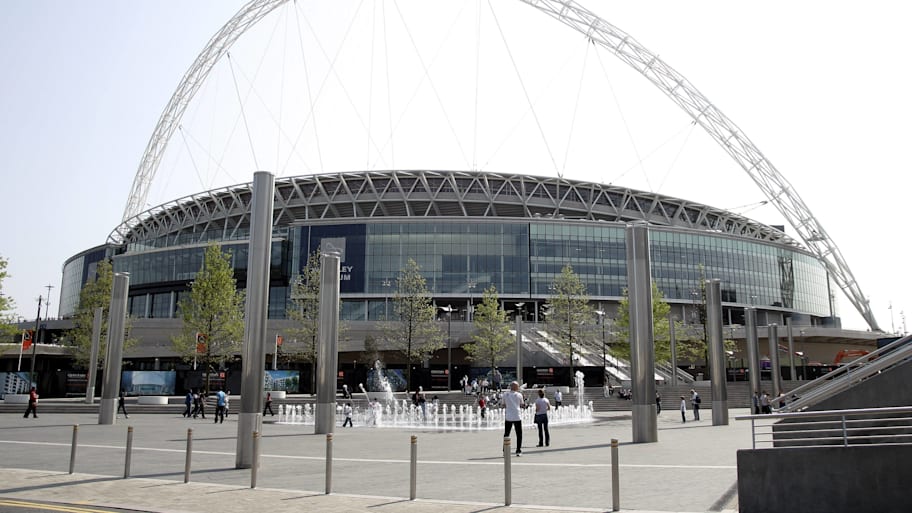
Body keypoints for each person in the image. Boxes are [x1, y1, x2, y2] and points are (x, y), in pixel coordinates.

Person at [503, 381, 526, 457]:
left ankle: (505, 450)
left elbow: (504, 405)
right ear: (515, 387)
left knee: (506, 434)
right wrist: (524, 405)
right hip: (517, 416)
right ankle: (518, 450)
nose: (518, 387)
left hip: (508, 416)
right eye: (518, 386)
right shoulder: (519, 395)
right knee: (519, 434)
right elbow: (522, 404)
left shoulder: (505, 394)